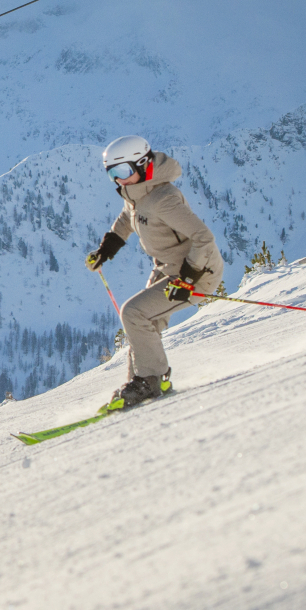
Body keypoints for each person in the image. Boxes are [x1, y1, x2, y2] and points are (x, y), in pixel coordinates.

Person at [83, 135, 224, 409]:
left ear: (143, 164)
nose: (119, 180)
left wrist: (188, 279)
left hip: (197, 272)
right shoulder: (137, 194)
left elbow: (204, 238)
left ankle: (150, 381)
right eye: (112, 173)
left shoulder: (163, 199)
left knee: (134, 313)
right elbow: (128, 218)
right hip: (169, 269)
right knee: (143, 327)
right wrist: (106, 248)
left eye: (123, 171)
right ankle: (139, 381)